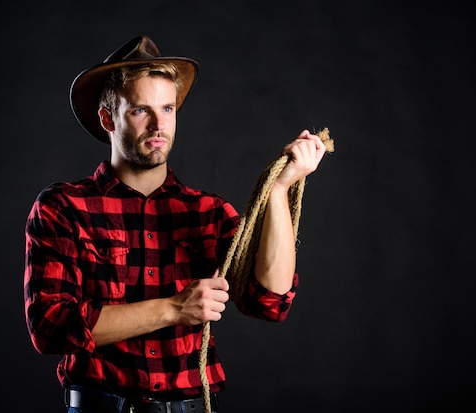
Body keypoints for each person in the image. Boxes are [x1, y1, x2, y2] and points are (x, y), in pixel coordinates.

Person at [24, 35, 327, 413]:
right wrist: (173, 308)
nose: (158, 125)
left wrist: (281, 190)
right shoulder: (63, 207)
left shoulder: (208, 212)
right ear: (108, 119)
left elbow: (271, 301)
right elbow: (51, 327)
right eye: (140, 110)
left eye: (167, 109)